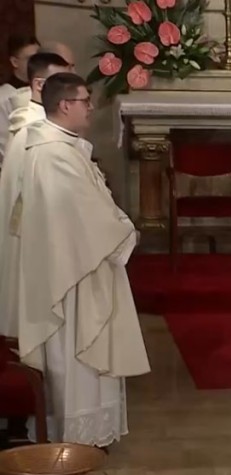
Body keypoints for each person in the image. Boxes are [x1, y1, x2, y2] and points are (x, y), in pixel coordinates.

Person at [17, 73, 148, 447]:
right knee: (78, 353)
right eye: (84, 101)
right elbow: (86, 216)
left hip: (80, 261)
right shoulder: (53, 154)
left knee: (82, 349)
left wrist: (117, 226)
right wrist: (125, 232)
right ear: (64, 105)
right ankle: (78, 436)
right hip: (73, 271)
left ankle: (86, 433)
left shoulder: (60, 147)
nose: (90, 108)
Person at [0, 52, 73, 338]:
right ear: (40, 85)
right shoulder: (34, 130)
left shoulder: (40, 123)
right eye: (60, 82)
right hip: (33, 226)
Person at [0, 34, 39, 167]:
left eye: (38, 58)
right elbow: (4, 145)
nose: (36, 64)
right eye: (30, 59)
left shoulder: (46, 89)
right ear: (15, 62)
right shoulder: (3, 97)